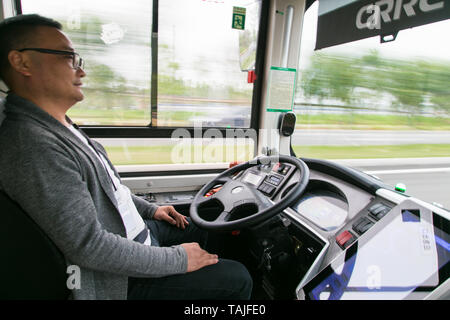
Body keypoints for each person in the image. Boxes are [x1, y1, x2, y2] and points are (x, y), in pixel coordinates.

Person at [0, 14, 252, 300]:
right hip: (119, 280)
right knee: (236, 279)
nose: (80, 71)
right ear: (22, 62)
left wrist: (149, 210)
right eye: (68, 57)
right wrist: (179, 259)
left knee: (208, 225)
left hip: (137, 233)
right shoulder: (33, 145)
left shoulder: (60, 126)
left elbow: (108, 189)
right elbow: (89, 246)